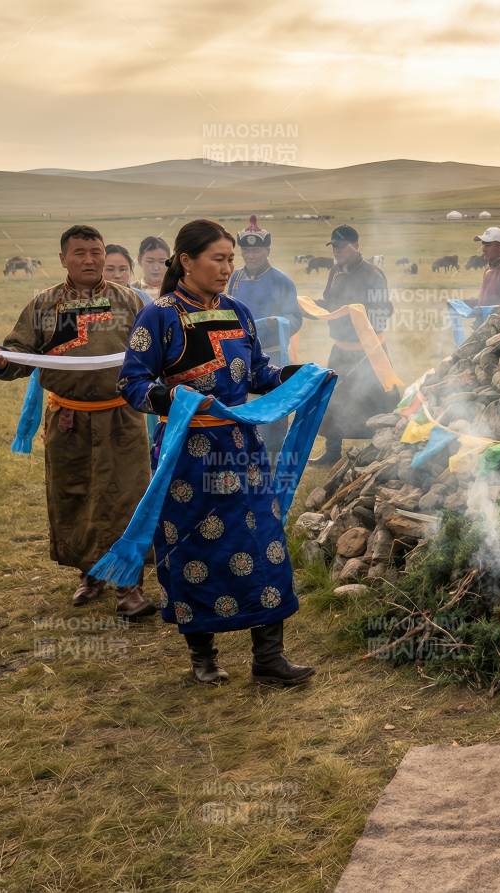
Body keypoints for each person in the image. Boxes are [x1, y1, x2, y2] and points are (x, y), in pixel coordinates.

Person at [117, 218, 318, 686]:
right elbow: (132, 384)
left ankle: (269, 659)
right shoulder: (160, 315)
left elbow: (258, 375)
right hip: (187, 456)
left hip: (242, 450)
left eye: (230, 259)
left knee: (264, 543)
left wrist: (299, 376)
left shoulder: (239, 312)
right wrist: (178, 399)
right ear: (186, 261)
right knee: (194, 548)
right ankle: (202, 657)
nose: (228, 268)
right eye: (218, 259)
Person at [0, 225, 154, 618]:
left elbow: (155, 351)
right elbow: (19, 354)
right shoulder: (43, 305)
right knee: (75, 495)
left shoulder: (129, 301)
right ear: (63, 258)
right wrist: (1, 360)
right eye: (80, 253)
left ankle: (130, 587)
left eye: (96, 251)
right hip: (68, 421)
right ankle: (89, 574)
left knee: (126, 497)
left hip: (122, 417)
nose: (90, 259)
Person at [312, 224, 394, 465]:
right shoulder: (334, 271)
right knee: (333, 397)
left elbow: (384, 311)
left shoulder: (373, 275)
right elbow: (329, 302)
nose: (336, 251)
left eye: (341, 246)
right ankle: (332, 451)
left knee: (377, 400)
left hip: (369, 351)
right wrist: (308, 307)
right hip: (340, 349)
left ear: (356, 246)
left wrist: (362, 322)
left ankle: (381, 452)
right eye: (334, 246)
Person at [226, 215, 303, 453]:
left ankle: (272, 458)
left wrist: (275, 323)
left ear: (267, 250)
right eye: (246, 250)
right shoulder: (234, 278)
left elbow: (295, 318)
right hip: (239, 354)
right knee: (241, 406)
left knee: (272, 409)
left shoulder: (282, 281)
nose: (251, 255)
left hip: (271, 355)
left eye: (257, 249)